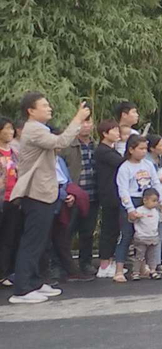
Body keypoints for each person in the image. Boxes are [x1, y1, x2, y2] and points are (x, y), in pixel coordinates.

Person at [7, 94, 89, 304]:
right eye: (44, 105)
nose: (49, 108)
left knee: (41, 241)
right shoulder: (33, 129)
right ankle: (22, 289)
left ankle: (34, 282)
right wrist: (78, 119)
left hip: (44, 192)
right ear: (31, 111)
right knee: (32, 241)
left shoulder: (40, 129)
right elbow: (61, 141)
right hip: (35, 193)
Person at [113, 134, 162, 284]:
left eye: (145, 149)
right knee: (127, 235)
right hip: (132, 201)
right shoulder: (125, 167)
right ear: (131, 149)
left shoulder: (148, 165)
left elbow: (155, 183)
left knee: (145, 236)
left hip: (146, 200)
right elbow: (123, 190)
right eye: (140, 148)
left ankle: (143, 268)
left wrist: (161, 201)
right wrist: (130, 208)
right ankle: (119, 270)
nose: (143, 151)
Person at [60, 116, 98, 275]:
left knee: (87, 232)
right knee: (66, 232)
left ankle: (85, 263)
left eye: (88, 122)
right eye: (83, 122)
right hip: (73, 196)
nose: (86, 126)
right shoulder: (67, 146)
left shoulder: (96, 145)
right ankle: (63, 266)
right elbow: (60, 170)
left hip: (93, 195)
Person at [91, 120, 123, 279]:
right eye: (114, 130)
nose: (118, 133)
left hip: (114, 193)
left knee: (114, 229)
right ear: (105, 133)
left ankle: (109, 262)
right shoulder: (103, 151)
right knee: (109, 229)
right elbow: (122, 163)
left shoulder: (111, 150)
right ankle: (104, 264)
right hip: (109, 194)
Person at [129, 188, 162, 281]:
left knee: (152, 256)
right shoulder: (139, 210)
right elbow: (132, 220)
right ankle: (136, 272)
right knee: (139, 256)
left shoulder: (156, 211)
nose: (155, 203)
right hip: (141, 237)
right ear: (145, 200)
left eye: (156, 201)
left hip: (153, 237)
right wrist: (135, 217)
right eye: (153, 201)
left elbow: (158, 221)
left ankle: (152, 270)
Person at [0, 117, 18, 285]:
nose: (10, 132)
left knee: (9, 237)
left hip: (13, 199)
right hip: (1, 197)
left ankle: (5, 272)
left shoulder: (14, 152)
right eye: (6, 128)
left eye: (12, 128)